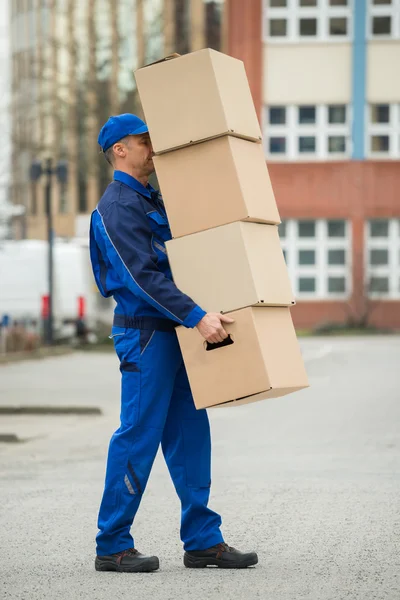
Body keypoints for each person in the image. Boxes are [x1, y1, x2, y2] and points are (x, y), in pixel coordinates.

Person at [90, 113, 258, 573]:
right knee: (138, 435)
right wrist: (197, 315)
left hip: (176, 332)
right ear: (119, 150)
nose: (153, 147)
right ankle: (112, 543)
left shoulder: (152, 199)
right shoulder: (117, 206)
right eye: (144, 141)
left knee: (190, 434)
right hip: (145, 335)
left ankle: (203, 540)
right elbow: (140, 279)